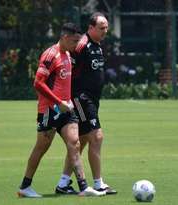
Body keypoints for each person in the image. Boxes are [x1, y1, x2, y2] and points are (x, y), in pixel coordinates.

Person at [17, 22, 105, 198]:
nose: (76, 46)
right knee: (41, 148)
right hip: (49, 111)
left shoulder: (67, 54)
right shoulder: (51, 55)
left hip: (66, 110)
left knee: (75, 143)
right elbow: (38, 83)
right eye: (74, 41)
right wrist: (59, 102)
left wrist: (69, 102)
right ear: (64, 37)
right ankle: (25, 187)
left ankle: (83, 187)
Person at [55, 12, 117, 195]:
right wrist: (66, 95)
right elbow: (66, 64)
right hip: (81, 98)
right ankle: (98, 183)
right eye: (101, 28)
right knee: (97, 137)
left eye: (106, 27)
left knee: (80, 142)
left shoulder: (97, 45)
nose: (105, 31)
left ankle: (63, 183)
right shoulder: (81, 44)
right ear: (90, 28)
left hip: (93, 100)